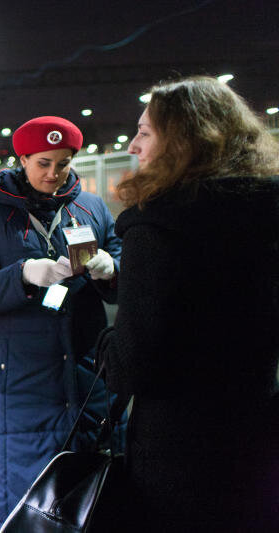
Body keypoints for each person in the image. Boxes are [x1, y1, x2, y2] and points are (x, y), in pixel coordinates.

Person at [95, 76, 279, 532]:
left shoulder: (158, 226)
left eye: (144, 132)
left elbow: (133, 364)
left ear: (182, 140)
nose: (134, 145)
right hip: (258, 432)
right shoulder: (266, 212)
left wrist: (103, 344)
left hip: (181, 452)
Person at [0, 116, 123, 529]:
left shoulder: (92, 207)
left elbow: (124, 281)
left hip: (87, 369)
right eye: (43, 163)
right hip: (21, 374)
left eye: (63, 163)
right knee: (28, 501)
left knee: (91, 494)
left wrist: (112, 268)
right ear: (23, 158)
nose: (54, 173)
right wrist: (24, 275)